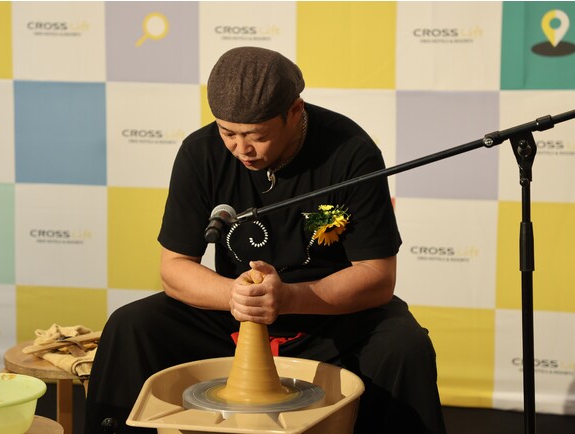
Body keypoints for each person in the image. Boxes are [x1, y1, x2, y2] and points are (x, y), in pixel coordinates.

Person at [85, 46, 446, 434]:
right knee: (131, 325)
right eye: (228, 133)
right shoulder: (200, 152)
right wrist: (237, 296)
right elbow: (174, 268)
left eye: (256, 136)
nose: (241, 150)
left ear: (295, 111)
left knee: (404, 346)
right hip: (236, 313)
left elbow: (377, 276)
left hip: (329, 318)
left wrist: (289, 298)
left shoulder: (351, 152)